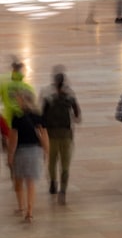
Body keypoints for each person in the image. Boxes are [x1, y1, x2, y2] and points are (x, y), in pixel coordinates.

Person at [40, 69, 81, 204]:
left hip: (51, 135)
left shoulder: (48, 97)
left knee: (51, 162)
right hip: (66, 135)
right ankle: (63, 190)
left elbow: (42, 117)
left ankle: (53, 182)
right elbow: (77, 116)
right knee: (65, 165)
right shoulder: (70, 96)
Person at [7, 90, 48, 223]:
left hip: (21, 152)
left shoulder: (17, 117)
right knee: (31, 183)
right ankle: (29, 212)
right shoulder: (38, 116)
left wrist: (10, 155)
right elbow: (44, 135)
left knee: (18, 181)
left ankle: (21, 207)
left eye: (19, 100)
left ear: (23, 101)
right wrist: (47, 151)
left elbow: (13, 138)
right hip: (35, 151)